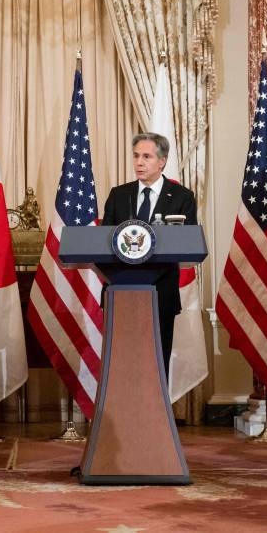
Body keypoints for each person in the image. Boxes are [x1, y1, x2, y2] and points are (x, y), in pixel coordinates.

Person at [102, 132, 197, 373]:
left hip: (161, 292)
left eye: (146, 156)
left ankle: (157, 401)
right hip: (120, 291)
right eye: (136, 156)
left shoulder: (182, 197)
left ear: (162, 161)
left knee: (157, 363)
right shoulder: (118, 195)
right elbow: (103, 242)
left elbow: (189, 242)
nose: (139, 162)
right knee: (121, 365)